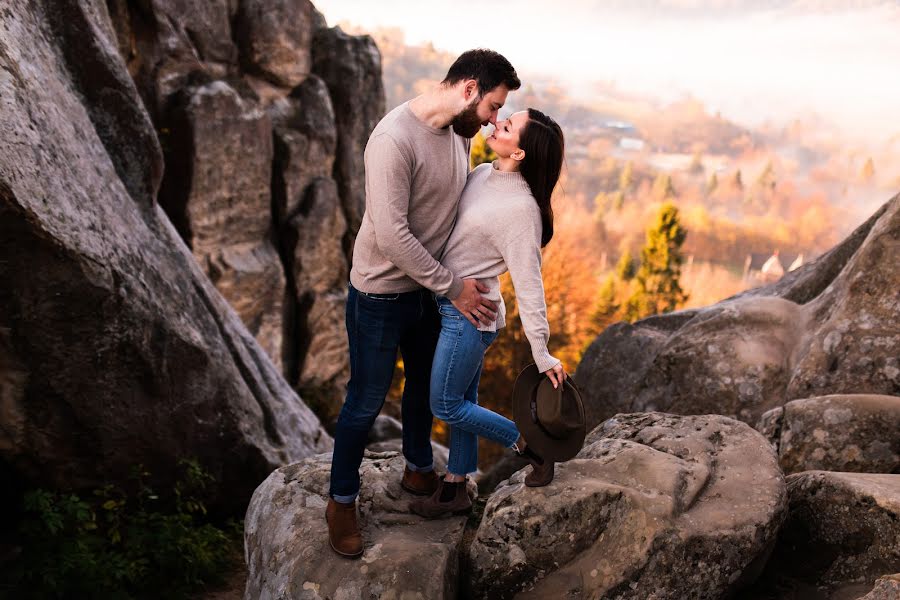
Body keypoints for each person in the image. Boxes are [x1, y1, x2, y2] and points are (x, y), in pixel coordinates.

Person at [326, 49, 521, 558]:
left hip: (427, 292)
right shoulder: (394, 139)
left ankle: (418, 470)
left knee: (422, 388)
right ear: (469, 90)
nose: (494, 120)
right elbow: (392, 235)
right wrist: (453, 287)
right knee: (366, 401)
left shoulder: (459, 133)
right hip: (380, 292)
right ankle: (341, 501)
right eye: (493, 107)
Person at [409, 108, 567, 518]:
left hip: (468, 319)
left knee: (444, 403)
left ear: (520, 153)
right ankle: (455, 486)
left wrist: (541, 351)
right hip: (456, 304)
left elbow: (530, 285)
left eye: (508, 126)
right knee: (463, 399)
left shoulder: (521, 211)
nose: (497, 125)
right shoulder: (482, 172)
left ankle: (530, 445)